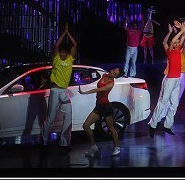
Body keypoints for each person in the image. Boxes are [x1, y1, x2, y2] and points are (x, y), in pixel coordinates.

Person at [148, 21, 185, 137]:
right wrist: (179, 31)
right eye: (175, 42)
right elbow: (168, 42)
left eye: (178, 43)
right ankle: (153, 125)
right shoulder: (170, 51)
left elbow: (183, 37)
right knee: (163, 102)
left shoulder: (178, 50)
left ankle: (167, 125)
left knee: (174, 104)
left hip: (177, 80)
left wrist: (183, 29)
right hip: (170, 80)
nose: (177, 43)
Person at [41, 23, 77, 151]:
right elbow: (56, 46)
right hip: (55, 91)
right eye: (60, 53)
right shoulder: (56, 59)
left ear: (67, 54)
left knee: (68, 117)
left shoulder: (70, 59)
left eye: (63, 53)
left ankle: (64, 143)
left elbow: (75, 45)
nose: (61, 54)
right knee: (50, 118)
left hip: (64, 92)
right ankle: (44, 142)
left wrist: (68, 33)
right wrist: (63, 34)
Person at [78, 67, 123, 157]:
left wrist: (84, 93)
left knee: (111, 128)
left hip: (106, 107)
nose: (112, 72)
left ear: (116, 77)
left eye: (114, 73)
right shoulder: (104, 75)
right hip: (99, 106)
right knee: (86, 125)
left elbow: (96, 90)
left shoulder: (110, 84)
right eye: (113, 70)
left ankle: (117, 148)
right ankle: (93, 147)